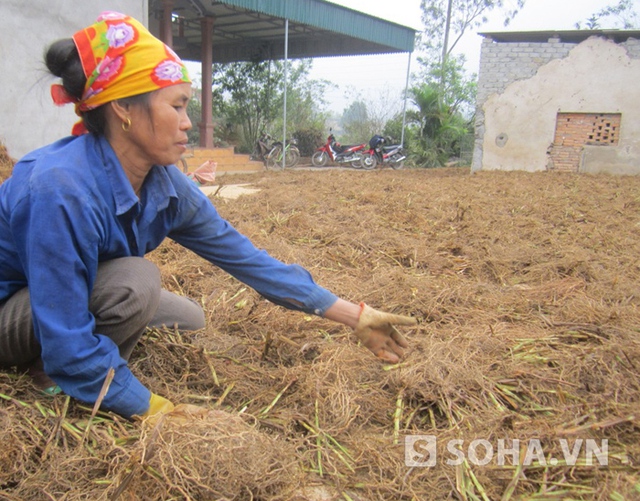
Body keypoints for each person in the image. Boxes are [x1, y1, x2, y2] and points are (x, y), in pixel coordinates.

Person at [0, 12, 416, 420]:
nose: (187, 125)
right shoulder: (60, 189)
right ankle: (57, 378)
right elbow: (64, 310)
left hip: (59, 293)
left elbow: (249, 260)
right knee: (136, 282)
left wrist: (355, 316)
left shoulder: (165, 185)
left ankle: (80, 363)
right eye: (177, 107)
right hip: (10, 309)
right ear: (124, 107)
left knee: (188, 319)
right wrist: (156, 410)